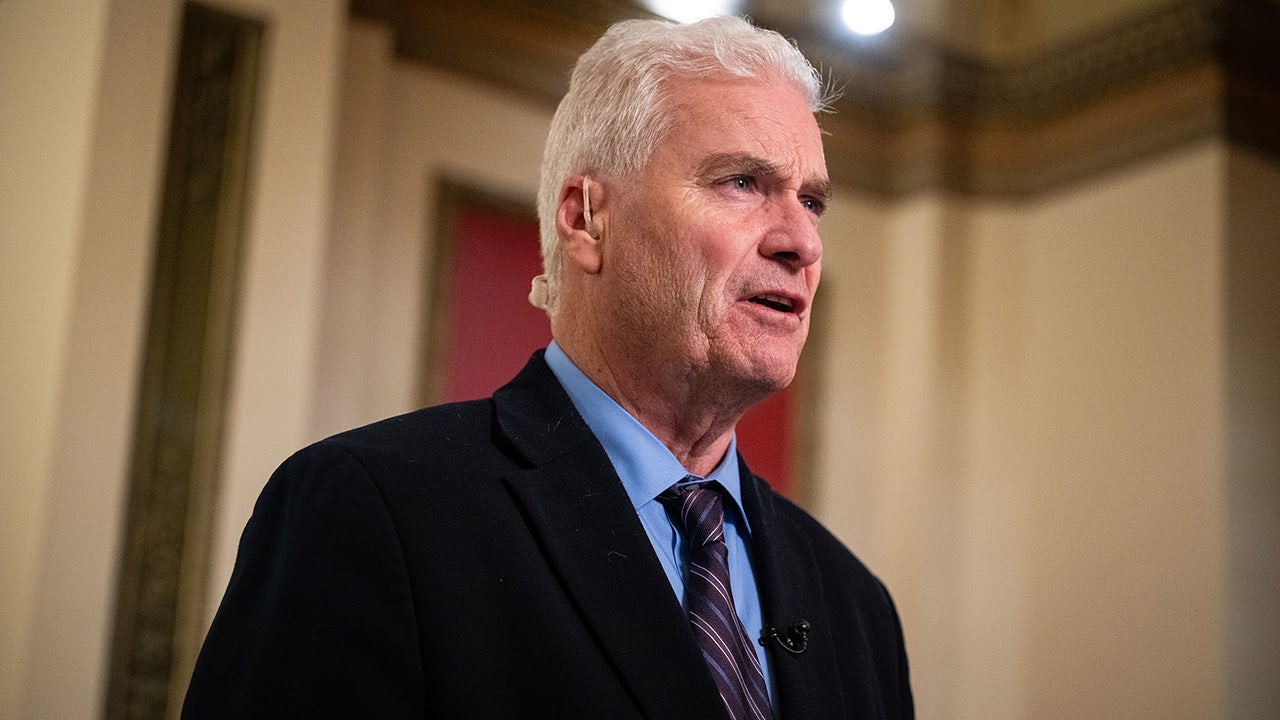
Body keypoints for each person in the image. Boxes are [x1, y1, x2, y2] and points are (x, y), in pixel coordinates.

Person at [182, 15, 913, 720]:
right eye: (742, 183)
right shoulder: (372, 514)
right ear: (585, 220)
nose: (801, 243)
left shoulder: (856, 605)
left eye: (811, 201)